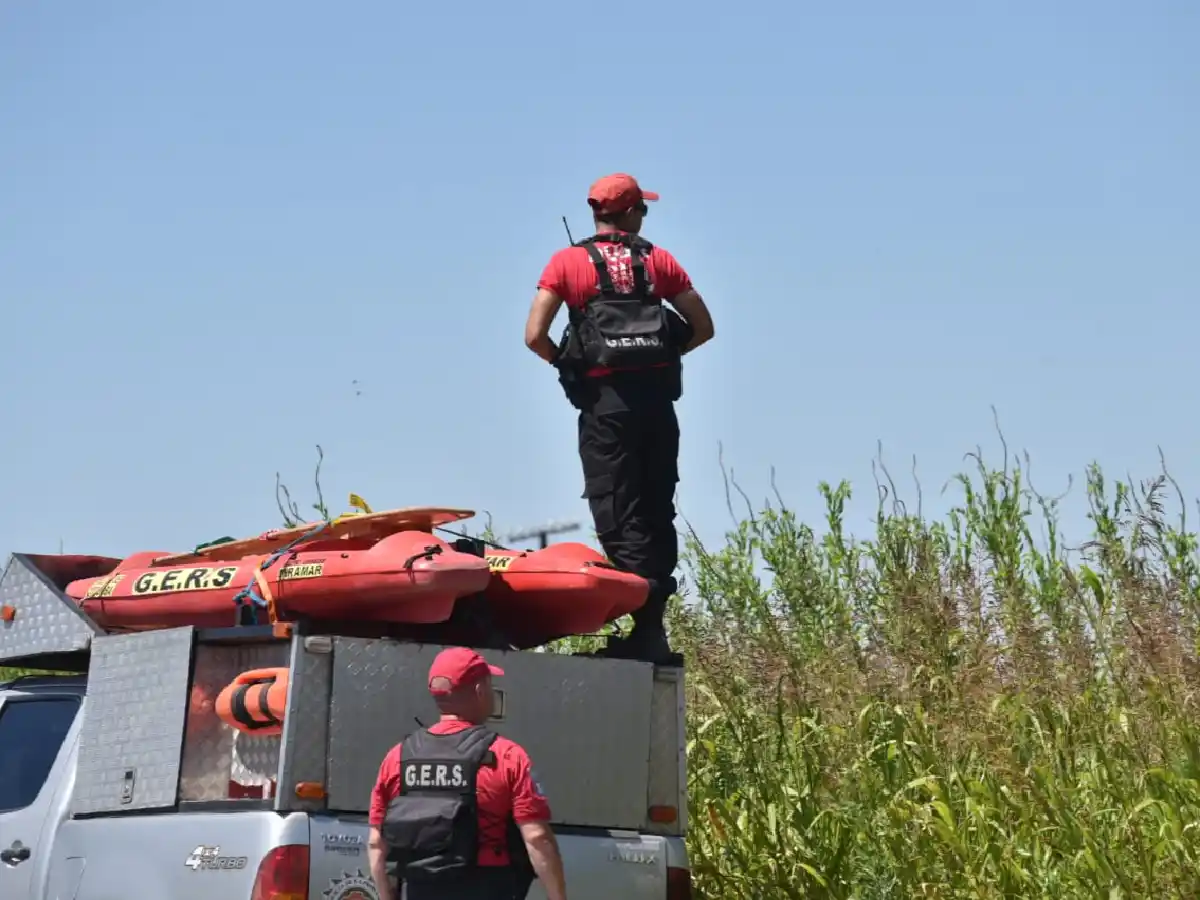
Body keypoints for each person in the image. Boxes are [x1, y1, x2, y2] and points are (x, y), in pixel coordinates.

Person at [523, 173, 715, 666]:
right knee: (656, 509)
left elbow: (534, 335)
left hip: (604, 409)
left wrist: (571, 366)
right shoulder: (658, 260)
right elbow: (703, 327)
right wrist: (667, 356)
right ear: (630, 213)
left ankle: (639, 619)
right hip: (656, 406)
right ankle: (652, 629)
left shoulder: (567, 263)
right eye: (643, 210)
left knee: (617, 510)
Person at [367, 647, 568, 900]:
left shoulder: (397, 757)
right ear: (480, 691)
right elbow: (537, 837)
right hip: (488, 887)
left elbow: (377, 843)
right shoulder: (506, 756)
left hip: (421, 889)